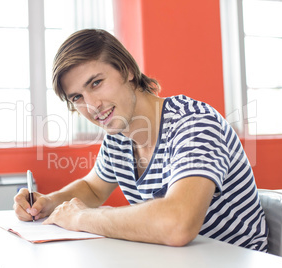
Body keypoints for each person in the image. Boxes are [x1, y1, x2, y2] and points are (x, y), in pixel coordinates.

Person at [14, 29, 268, 250]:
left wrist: (81, 218)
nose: (92, 105)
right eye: (77, 97)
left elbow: (178, 224)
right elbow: (92, 188)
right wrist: (49, 203)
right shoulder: (119, 135)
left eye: (96, 83)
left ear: (127, 71)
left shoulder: (194, 123)